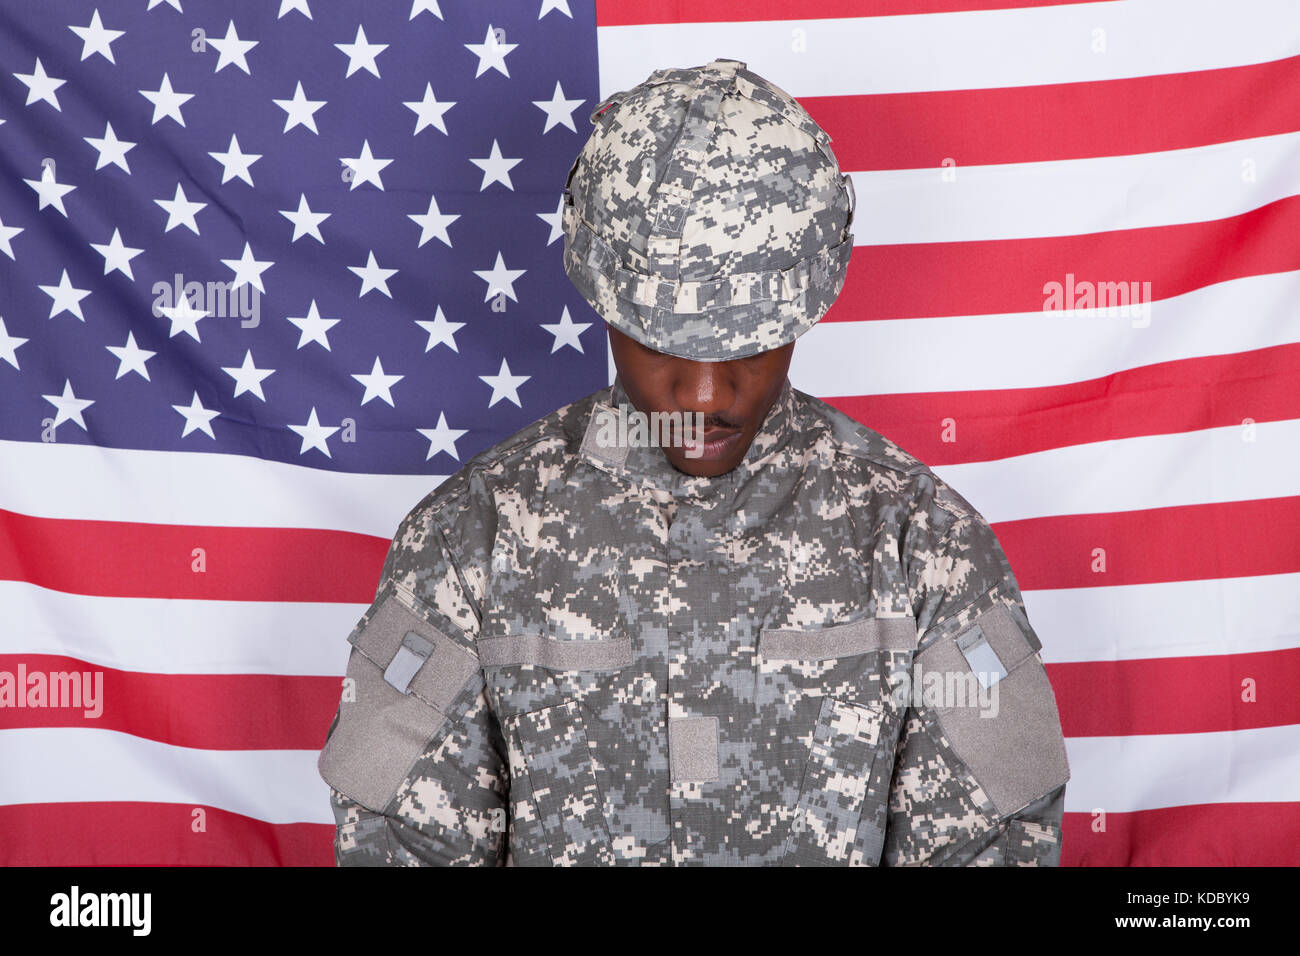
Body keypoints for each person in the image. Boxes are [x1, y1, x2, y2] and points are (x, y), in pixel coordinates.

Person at [317, 58, 1069, 866]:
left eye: (748, 339)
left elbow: (994, 843)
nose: (707, 392)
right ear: (601, 299)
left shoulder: (924, 546)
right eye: (663, 340)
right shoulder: (471, 542)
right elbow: (397, 845)